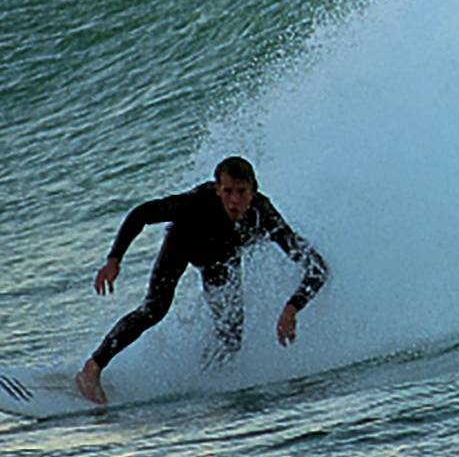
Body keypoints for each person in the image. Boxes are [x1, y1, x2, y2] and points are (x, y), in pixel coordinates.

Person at [75, 155, 328, 405]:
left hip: (220, 259)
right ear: (217, 189)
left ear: (253, 191)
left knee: (231, 332)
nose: (234, 201)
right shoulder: (197, 203)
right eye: (227, 191)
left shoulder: (264, 215)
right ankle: (92, 368)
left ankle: (206, 379)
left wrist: (292, 308)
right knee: (155, 309)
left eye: (241, 192)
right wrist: (114, 259)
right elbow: (141, 213)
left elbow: (317, 268)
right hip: (183, 243)